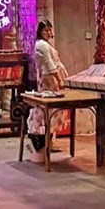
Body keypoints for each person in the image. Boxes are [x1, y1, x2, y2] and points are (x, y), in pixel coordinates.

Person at [28, 21, 68, 156]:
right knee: (49, 111)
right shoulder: (41, 45)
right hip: (48, 81)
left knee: (53, 111)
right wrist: (59, 79)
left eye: (50, 30)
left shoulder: (45, 44)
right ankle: (46, 141)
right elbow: (49, 65)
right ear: (40, 32)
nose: (49, 33)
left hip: (51, 80)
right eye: (46, 30)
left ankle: (50, 140)